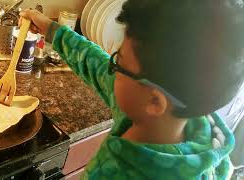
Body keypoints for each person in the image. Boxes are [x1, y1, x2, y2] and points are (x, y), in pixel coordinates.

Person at [19, 0, 244, 179]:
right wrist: (53, 30)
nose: (110, 68)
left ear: (155, 102)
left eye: (118, 63)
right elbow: (97, 64)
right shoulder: (171, 116)